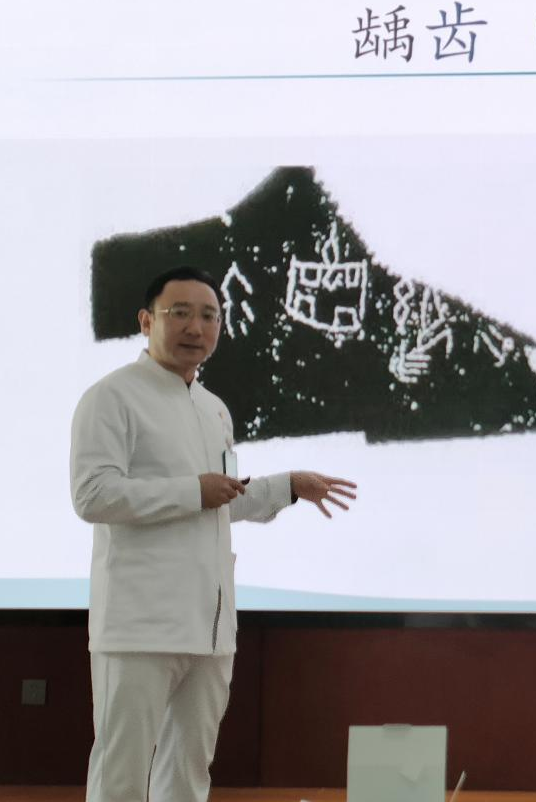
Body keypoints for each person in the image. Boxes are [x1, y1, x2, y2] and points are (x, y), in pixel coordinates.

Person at [70, 265, 357, 802]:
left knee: (189, 773)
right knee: (121, 775)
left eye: (209, 316)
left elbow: (221, 499)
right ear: (146, 321)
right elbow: (93, 495)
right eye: (179, 313)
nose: (195, 327)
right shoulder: (111, 397)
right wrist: (191, 492)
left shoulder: (213, 408)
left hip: (211, 625)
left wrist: (288, 486)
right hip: (139, 625)